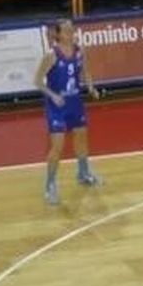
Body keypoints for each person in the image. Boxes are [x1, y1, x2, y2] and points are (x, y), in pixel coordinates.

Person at [35, 20, 102, 205]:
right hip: (57, 106)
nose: (71, 32)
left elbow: (86, 72)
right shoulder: (51, 55)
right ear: (58, 34)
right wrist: (53, 95)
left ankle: (83, 173)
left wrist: (90, 88)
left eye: (72, 29)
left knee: (81, 140)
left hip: (75, 103)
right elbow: (38, 81)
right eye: (67, 30)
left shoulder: (80, 51)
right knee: (57, 147)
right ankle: (50, 185)